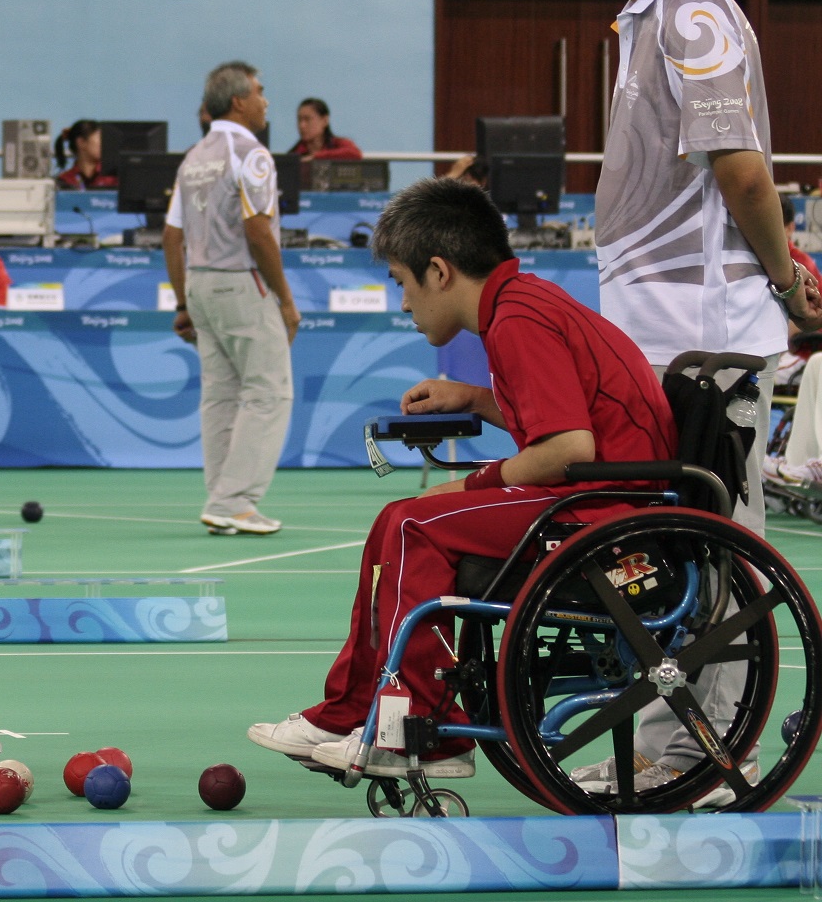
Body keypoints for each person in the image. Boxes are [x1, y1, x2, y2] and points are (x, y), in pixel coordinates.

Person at [541, 0, 822, 795]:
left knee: (715, 553)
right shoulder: (648, 21)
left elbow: (744, 173)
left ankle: (706, 748)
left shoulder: (696, 19)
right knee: (670, 550)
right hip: (657, 332)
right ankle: (683, 740)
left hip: (701, 339)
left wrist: (788, 287)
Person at [248, 177, 676, 781]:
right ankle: (352, 711)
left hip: (607, 515)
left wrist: (474, 484)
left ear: (440, 272)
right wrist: (475, 399)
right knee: (400, 519)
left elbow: (568, 446)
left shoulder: (517, 319)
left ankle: (420, 731)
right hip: (600, 496)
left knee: (412, 524)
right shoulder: (523, 302)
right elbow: (564, 420)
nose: (402, 303)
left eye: (402, 282)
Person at [163, 61, 297, 537]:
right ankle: (235, 501)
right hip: (241, 281)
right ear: (239, 100)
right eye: (260, 92)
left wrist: (182, 301)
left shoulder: (194, 156)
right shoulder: (251, 152)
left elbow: (171, 234)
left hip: (199, 282)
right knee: (270, 391)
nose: (265, 101)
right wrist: (284, 298)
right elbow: (258, 229)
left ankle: (221, 497)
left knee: (220, 395)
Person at [287, 99, 362, 161]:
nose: (302, 125)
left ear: (325, 120)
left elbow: (354, 153)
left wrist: (316, 157)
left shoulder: (338, 144)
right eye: (299, 120)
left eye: (307, 119)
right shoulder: (295, 153)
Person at [55, 120, 117, 190]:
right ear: (81, 142)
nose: (106, 144)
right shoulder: (64, 181)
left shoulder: (114, 178)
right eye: (101, 139)